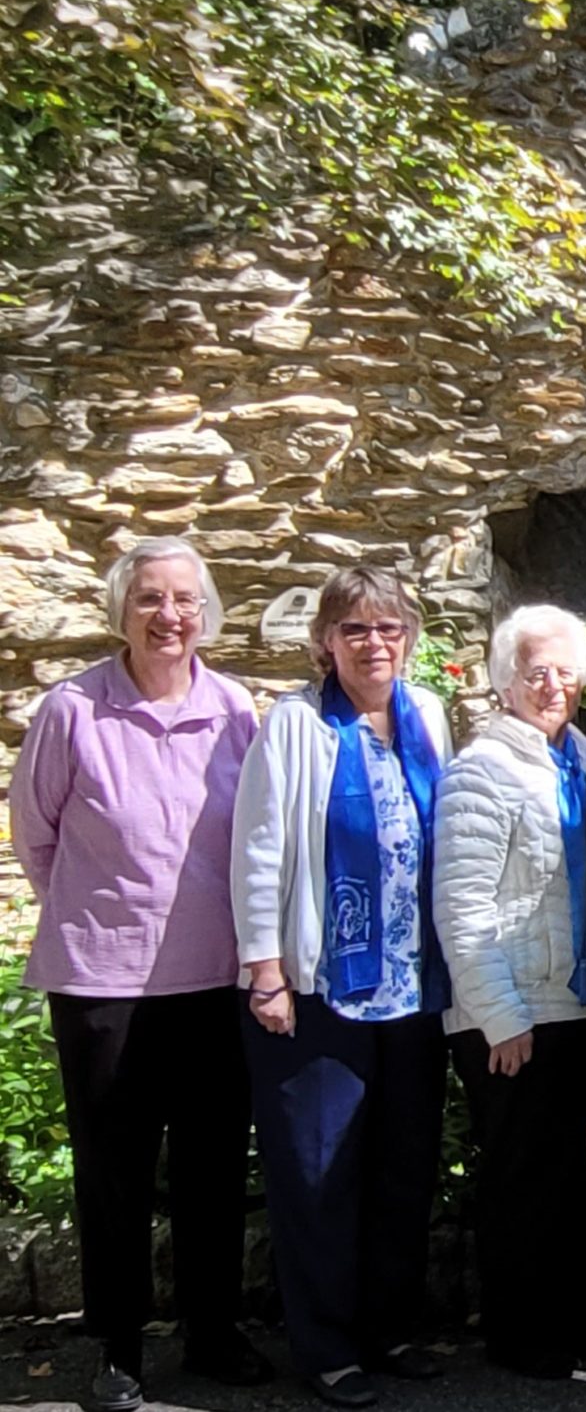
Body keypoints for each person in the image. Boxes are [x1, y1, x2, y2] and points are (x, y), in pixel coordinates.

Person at [8, 538, 269, 1410]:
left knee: (210, 1169)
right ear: (121, 610)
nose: (169, 615)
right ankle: (117, 1343)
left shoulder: (237, 709)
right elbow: (36, 836)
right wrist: (104, 916)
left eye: (186, 600)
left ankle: (212, 1331)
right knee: (111, 1171)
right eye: (150, 598)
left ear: (208, 612)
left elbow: (257, 840)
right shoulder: (73, 709)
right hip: (103, 986)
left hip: (212, 981)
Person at [231, 565, 453, 1408]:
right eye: (355, 629)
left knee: (403, 1169)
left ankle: (388, 1329)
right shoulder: (294, 726)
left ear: (410, 638)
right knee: (319, 1175)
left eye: (390, 628)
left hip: (412, 991)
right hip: (320, 989)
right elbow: (259, 851)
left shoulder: (424, 717)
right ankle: (325, 1347)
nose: (374, 643)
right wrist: (265, 971)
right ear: (326, 641)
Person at [433, 606, 586, 1380]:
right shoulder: (482, 769)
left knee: (582, 1179)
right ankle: (520, 1334)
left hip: (584, 1006)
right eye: (534, 671)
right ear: (506, 681)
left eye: (565, 671)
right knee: (522, 1181)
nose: (552, 685)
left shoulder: (585, 758)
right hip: (514, 1012)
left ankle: (577, 1322)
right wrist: (497, 1014)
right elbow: (461, 904)